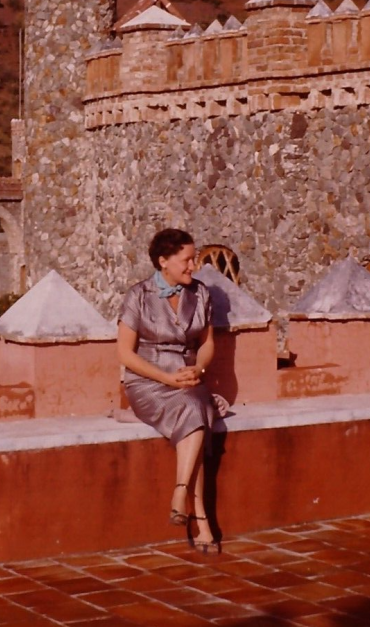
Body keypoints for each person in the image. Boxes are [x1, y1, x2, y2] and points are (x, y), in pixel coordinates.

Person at [117, 227, 226, 555]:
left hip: (188, 380)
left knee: (195, 407)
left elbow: (207, 344)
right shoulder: (138, 295)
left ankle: (183, 498)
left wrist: (199, 369)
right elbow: (125, 355)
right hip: (147, 382)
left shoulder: (201, 294)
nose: (193, 266)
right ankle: (201, 516)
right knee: (197, 411)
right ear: (163, 261)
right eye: (187, 260)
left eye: (194, 259)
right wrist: (167, 380)